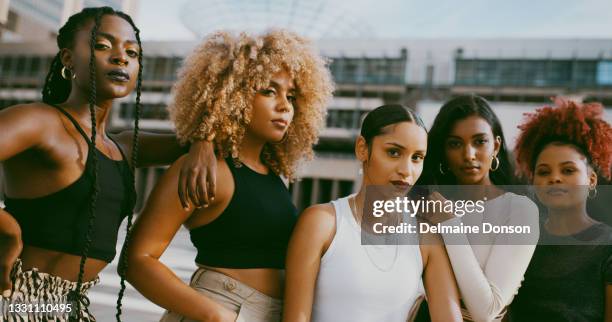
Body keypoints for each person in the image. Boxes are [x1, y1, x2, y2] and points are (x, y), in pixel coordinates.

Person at [0, 7, 214, 321]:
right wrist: (7, 229)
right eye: (103, 46)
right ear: (68, 58)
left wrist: (204, 142)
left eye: (132, 52)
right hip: (14, 303)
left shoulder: (124, 146)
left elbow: (218, 133)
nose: (121, 58)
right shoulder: (39, 121)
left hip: (68, 308)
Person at [125, 30, 334, 322]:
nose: (285, 105)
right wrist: (217, 315)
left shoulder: (273, 175)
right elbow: (137, 261)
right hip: (223, 308)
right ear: (232, 94)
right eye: (269, 91)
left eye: (292, 96)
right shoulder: (205, 169)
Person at [282, 104, 463, 322]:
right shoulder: (322, 223)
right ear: (362, 148)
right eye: (393, 152)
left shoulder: (426, 240)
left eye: (417, 157)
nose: (406, 170)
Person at [415, 94, 539, 322]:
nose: (468, 155)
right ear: (443, 150)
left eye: (479, 141)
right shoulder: (425, 204)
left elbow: (487, 310)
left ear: (496, 146)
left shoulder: (519, 209)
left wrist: (450, 224)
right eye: (455, 144)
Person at [509, 98, 612, 322]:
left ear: (591, 179)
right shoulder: (520, 239)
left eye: (568, 170)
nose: (555, 178)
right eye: (544, 172)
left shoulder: (608, 245)